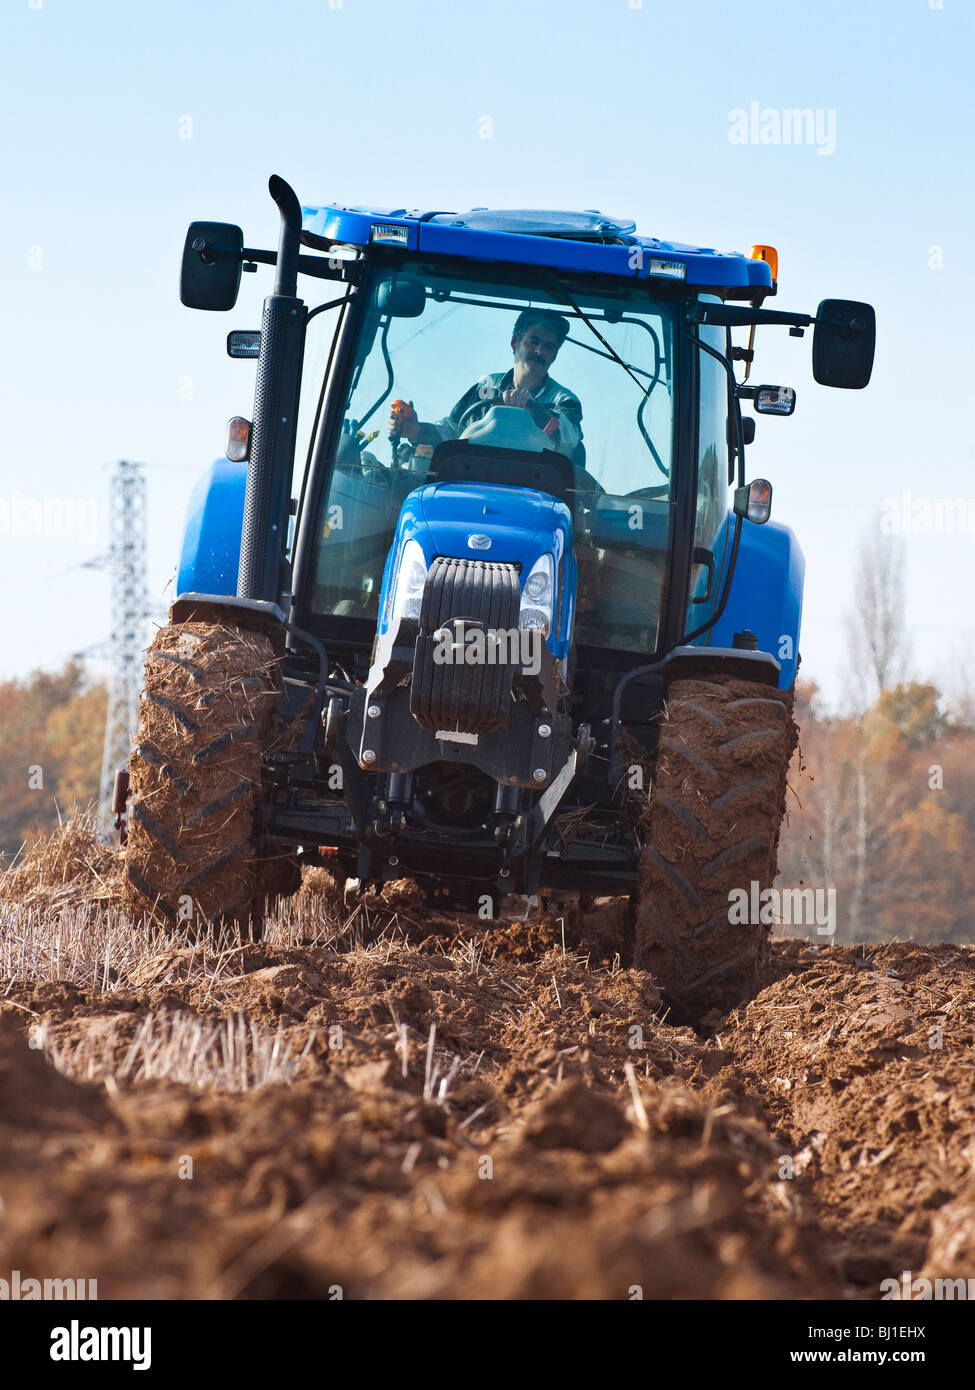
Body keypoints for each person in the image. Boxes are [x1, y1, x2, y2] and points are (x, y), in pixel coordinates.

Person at [388, 310, 583, 462]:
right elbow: (454, 430)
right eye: (533, 341)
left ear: (555, 354)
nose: (539, 351)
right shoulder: (486, 387)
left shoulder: (564, 400)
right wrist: (415, 430)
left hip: (537, 491)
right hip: (473, 482)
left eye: (549, 346)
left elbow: (570, 438)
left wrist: (535, 412)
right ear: (515, 342)